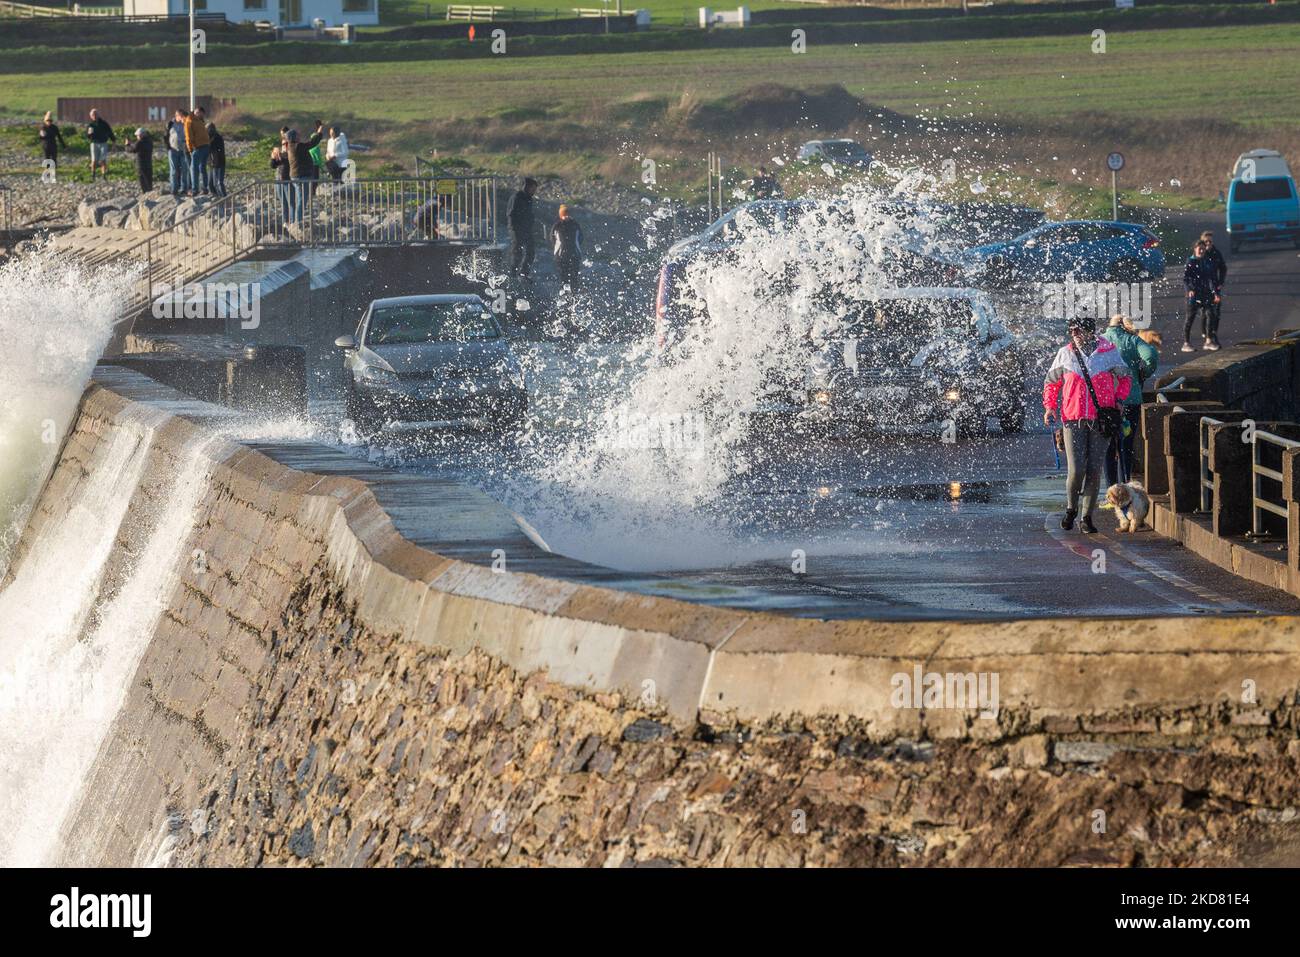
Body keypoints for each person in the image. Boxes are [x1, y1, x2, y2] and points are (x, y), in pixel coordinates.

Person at [1043, 315, 1133, 534]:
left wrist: (1119, 399)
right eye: (1072, 330)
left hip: (1101, 421)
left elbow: (1126, 377)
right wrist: (1050, 407)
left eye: (1078, 330)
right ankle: (1071, 508)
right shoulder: (1065, 354)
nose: (1074, 334)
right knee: (1077, 469)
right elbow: (1051, 383)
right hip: (1072, 419)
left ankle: (1086, 518)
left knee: (1094, 470)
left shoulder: (1108, 351)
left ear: (1090, 332)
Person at [1100, 313, 1157, 490]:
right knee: (1126, 443)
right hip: (1130, 398)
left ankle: (1111, 490)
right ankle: (1126, 486)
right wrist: (1143, 374)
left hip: (1106, 401)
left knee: (1108, 446)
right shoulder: (1132, 340)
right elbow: (1151, 356)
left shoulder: (1100, 340)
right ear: (1125, 326)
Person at [1183, 240, 1219, 352]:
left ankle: (1208, 341)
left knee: (1210, 314)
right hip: (1194, 294)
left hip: (1206, 293)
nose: (1202, 251)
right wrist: (1189, 289)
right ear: (1195, 249)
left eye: (1203, 249)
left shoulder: (1207, 261)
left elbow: (1212, 279)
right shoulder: (1190, 261)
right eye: (1199, 249)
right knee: (1190, 318)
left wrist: (1215, 293)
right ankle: (1186, 343)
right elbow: (1185, 278)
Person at [1200, 229, 1227, 347]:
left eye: (1210, 242)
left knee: (1216, 312)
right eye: (1206, 242)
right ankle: (1206, 334)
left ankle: (1213, 333)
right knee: (1206, 312)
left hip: (1215, 286)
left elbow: (1223, 267)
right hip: (1202, 288)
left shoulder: (1216, 253)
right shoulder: (1200, 254)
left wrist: (1221, 281)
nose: (1208, 244)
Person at [507, 177, 539, 278]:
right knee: (517, 252)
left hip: (527, 229)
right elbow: (511, 214)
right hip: (516, 229)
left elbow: (529, 214)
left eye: (535, 189)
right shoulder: (517, 197)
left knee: (531, 251)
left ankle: (524, 272)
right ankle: (513, 273)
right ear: (527, 187)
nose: (534, 191)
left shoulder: (529, 199)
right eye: (532, 189)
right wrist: (514, 228)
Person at [551, 204, 584, 289]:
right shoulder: (575, 224)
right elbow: (581, 238)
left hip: (562, 255)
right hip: (573, 254)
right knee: (572, 277)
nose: (567, 216)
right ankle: (572, 296)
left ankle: (566, 297)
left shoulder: (557, 225)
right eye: (565, 214)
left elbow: (552, 239)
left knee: (565, 278)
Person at [183, 107, 211, 195]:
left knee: (201, 168)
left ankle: (204, 188)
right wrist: (190, 149)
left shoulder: (200, 121)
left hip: (205, 146)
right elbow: (188, 136)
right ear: (196, 112)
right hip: (198, 147)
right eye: (200, 113)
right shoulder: (190, 121)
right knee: (195, 168)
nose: (202, 116)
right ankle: (195, 189)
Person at [166, 110, 190, 195]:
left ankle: (184, 188)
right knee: (174, 170)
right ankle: (174, 189)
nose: (183, 118)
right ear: (177, 116)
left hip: (184, 149)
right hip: (173, 149)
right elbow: (166, 135)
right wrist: (168, 147)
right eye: (181, 116)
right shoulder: (170, 124)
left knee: (184, 169)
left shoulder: (186, 123)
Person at [85, 109, 113, 180]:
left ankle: (104, 175)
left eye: (95, 114)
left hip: (103, 143)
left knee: (103, 160)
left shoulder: (104, 123)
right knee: (94, 160)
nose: (94, 116)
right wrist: (89, 134)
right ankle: (93, 174)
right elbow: (87, 136)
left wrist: (113, 141)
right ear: (91, 116)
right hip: (94, 143)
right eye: (93, 115)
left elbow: (110, 132)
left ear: (98, 115)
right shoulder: (90, 125)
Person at [124, 127, 154, 194]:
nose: (137, 137)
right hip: (149, 164)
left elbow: (132, 150)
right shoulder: (150, 141)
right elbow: (136, 146)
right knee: (149, 181)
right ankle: (150, 192)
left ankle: (146, 194)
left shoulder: (140, 142)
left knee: (143, 181)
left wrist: (127, 145)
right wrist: (132, 144)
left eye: (137, 135)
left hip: (141, 165)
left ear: (141, 135)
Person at [271, 128, 291, 222]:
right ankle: (285, 221)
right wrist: (274, 157)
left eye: (284, 134)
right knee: (283, 201)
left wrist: (281, 156)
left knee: (290, 201)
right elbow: (273, 165)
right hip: (279, 177)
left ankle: (292, 220)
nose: (282, 136)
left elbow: (288, 160)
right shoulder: (282, 151)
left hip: (287, 178)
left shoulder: (291, 149)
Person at [37, 111, 67, 176]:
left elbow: (59, 137)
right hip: (46, 145)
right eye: (48, 121)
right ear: (45, 121)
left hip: (53, 145)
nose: (49, 122)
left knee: (54, 158)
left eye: (50, 121)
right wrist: (42, 136)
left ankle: (53, 171)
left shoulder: (54, 128)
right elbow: (40, 137)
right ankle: (48, 172)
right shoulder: (43, 128)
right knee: (47, 158)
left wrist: (64, 145)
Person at [206, 122, 227, 197]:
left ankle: (224, 197)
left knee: (218, 183)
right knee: (210, 183)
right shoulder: (207, 138)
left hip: (218, 163)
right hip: (211, 163)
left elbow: (217, 151)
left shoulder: (218, 138)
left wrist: (210, 142)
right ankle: (216, 196)